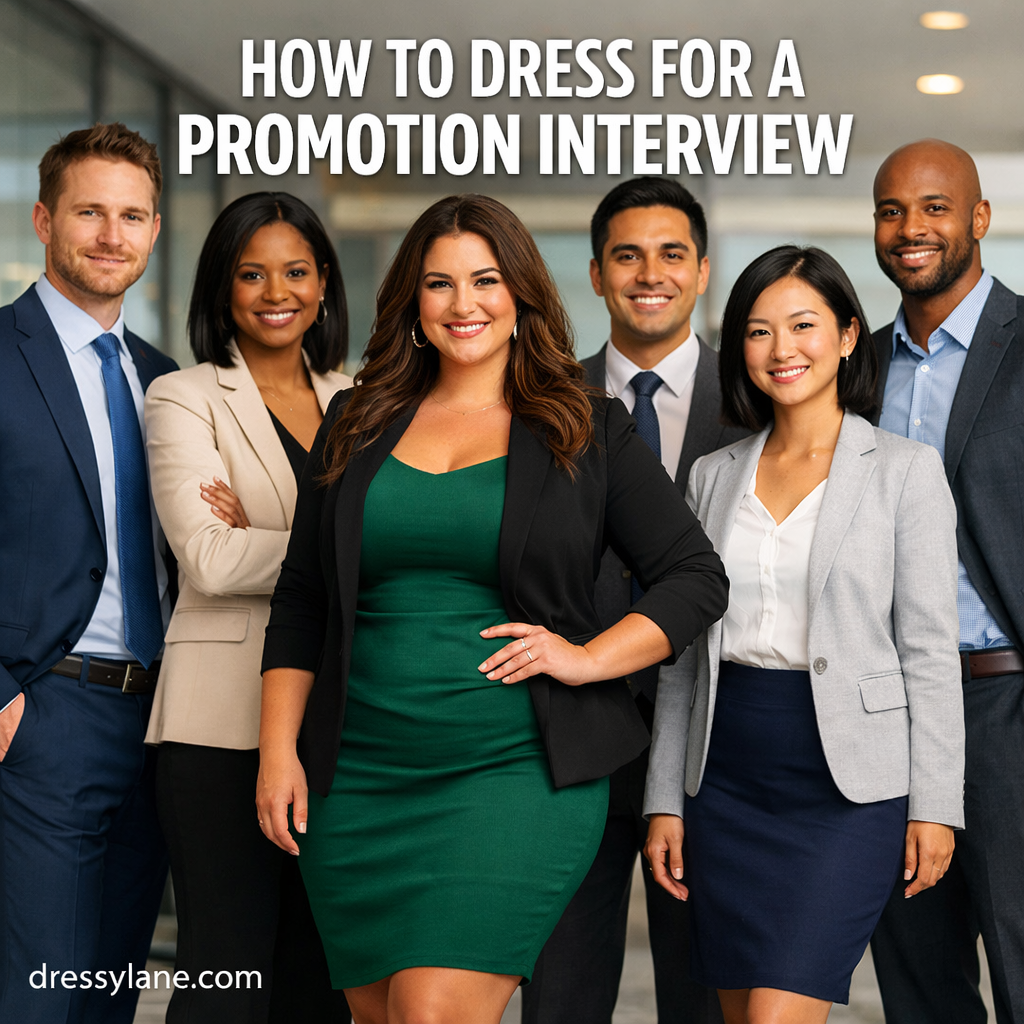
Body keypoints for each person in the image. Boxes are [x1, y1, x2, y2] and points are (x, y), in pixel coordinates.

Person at [256, 193, 730, 1024]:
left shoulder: (584, 425)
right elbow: (301, 599)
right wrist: (276, 753)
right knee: (382, 1014)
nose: (463, 303)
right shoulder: (355, 421)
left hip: (514, 772)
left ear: (521, 294)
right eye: (439, 284)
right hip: (359, 774)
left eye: (485, 280)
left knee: (432, 1012)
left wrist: (585, 657)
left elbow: (694, 576)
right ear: (413, 301)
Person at [643, 245, 966, 1024]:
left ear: (849, 335)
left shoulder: (904, 470)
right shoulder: (712, 476)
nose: (781, 350)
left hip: (847, 786)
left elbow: (929, 651)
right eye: (758, 331)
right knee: (736, 1009)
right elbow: (684, 659)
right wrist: (663, 799)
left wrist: (937, 804)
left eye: (802, 325)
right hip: (724, 775)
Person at [524, 177, 747, 1024]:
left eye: (671, 255)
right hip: (570, 734)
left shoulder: (765, 399)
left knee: (706, 997)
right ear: (594, 274)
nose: (648, 273)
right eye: (627, 255)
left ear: (701, 273)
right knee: (562, 994)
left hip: (714, 746)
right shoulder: (538, 404)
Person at [143, 193, 353, 1022]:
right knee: (226, 974)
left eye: (296, 271)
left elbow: (402, 546)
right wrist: (340, 549)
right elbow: (210, 556)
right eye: (251, 272)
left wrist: (268, 530)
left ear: (325, 283)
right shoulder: (184, 396)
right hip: (218, 730)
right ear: (222, 288)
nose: (277, 291)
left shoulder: (363, 397)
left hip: (335, 720)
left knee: (322, 977)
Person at [0, 123, 175, 1024]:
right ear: (42, 219)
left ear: (153, 230)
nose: (113, 235)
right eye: (90, 213)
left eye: (133, 215)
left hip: (155, 726)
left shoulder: (165, 380)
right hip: (44, 715)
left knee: (109, 996)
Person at [867, 140, 1024, 1024]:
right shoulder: (854, 367)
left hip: (1006, 705)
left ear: (978, 220)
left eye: (934, 207)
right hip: (889, 717)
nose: (911, 227)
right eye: (892, 210)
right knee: (917, 978)